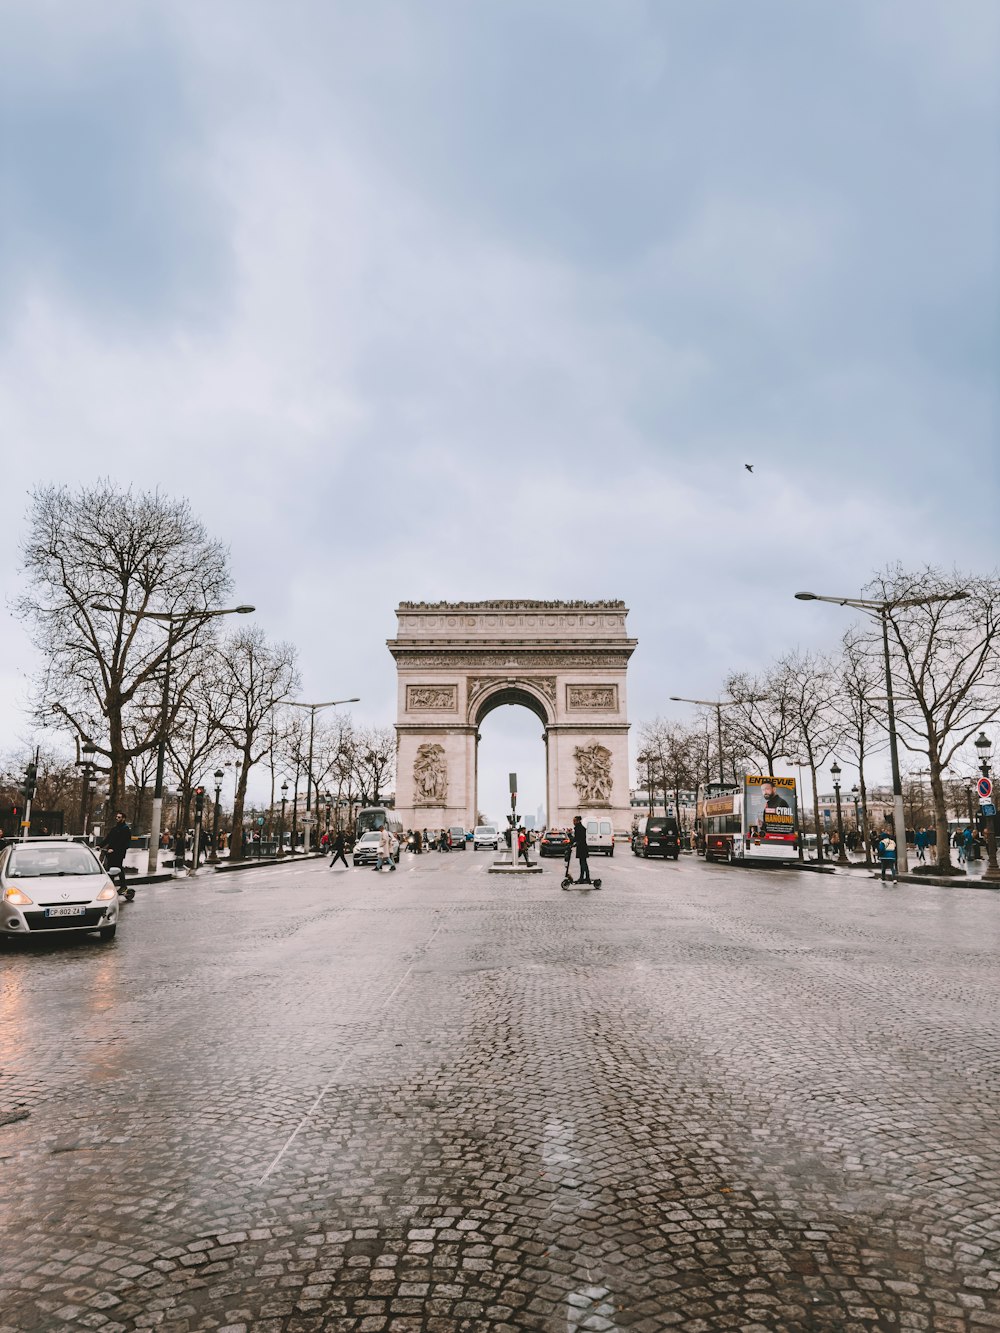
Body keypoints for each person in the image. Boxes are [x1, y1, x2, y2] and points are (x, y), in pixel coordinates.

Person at [100, 811, 134, 900]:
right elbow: (108, 839)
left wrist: (114, 849)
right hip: (110, 852)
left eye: (119, 817)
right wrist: (99, 845)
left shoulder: (126, 829)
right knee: (110, 868)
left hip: (118, 852)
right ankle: (111, 885)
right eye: (117, 817)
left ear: (123, 819)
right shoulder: (115, 829)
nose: (117, 819)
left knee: (118, 868)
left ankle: (123, 886)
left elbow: (124, 843)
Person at [566, 814, 595, 887]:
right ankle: (583, 877)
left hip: (582, 848)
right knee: (582, 863)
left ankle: (586, 877)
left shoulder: (579, 828)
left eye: (574, 821)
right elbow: (577, 839)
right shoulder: (579, 828)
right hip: (582, 848)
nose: (573, 822)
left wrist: (571, 839)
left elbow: (579, 839)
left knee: (583, 863)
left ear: (578, 821)